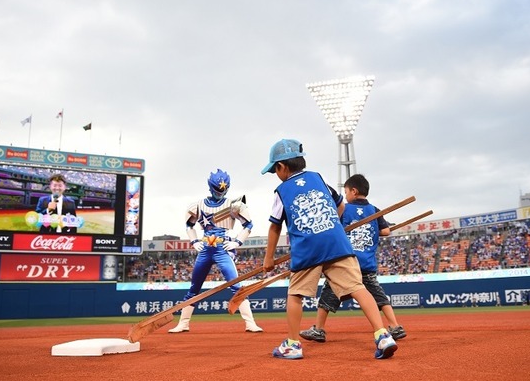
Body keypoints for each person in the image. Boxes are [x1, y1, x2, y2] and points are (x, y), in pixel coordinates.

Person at [261, 139, 397, 360]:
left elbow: (275, 226)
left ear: (282, 167)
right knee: (357, 287)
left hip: (307, 247)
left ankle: (293, 344)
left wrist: (269, 258)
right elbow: (341, 206)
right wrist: (329, 226)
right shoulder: (318, 178)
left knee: (295, 294)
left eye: (274, 170)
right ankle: (383, 335)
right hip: (337, 243)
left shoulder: (281, 190)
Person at [300, 174, 407, 343]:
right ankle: (395, 326)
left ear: (354, 191)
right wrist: (370, 227)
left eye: (346, 191)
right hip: (367, 263)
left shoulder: (344, 209)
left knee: (328, 295)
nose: (346, 195)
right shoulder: (374, 210)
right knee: (379, 297)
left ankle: (319, 329)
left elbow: (333, 228)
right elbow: (386, 231)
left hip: (347, 263)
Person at [168, 169, 263, 333]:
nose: (220, 192)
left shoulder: (233, 205)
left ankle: (250, 323)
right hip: (205, 249)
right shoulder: (198, 205)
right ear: (210, 187)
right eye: (218, 189)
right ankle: (183, 323)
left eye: (223, 189)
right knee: (194, 288)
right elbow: (189, 225)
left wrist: (237, 242)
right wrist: (194, 241)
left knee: (236, 286)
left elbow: (249, 225)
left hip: (222, 248)